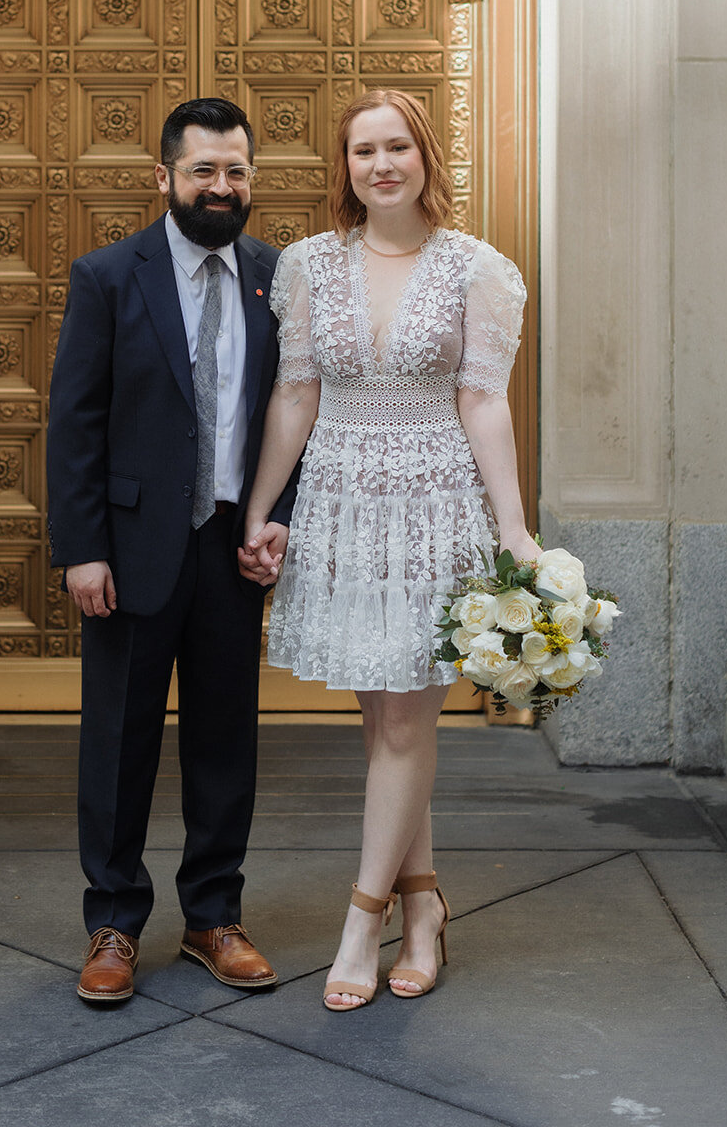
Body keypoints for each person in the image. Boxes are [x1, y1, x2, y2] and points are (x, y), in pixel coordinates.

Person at [239, 88, 536, 1011]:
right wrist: (259, 511)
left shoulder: (476, 269)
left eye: (396, 146)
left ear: (425, 158)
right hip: (339, 505)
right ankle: (425, 908)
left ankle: (360, 921)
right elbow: (294, 394)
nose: (380, 164)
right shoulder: (307, 267)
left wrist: (514, 530)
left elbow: (484, 402)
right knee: (383, 730)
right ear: (345, 167)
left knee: (406, 726)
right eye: (363, 150)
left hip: (432, 507)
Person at [47, 97, 297, 1004]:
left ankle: (212, 918)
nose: (220, 187)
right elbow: (74, 423)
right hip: (128, 550)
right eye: (202, 171)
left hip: (232, 548)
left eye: (235, 171)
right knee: (117, 742)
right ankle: (113, 923)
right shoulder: (109, 275)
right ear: (165, 177)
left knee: (226, 739)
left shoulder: (281, 277)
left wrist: (281, 522)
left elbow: (296, 413)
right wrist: (82, 549)